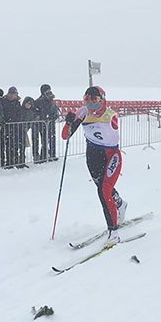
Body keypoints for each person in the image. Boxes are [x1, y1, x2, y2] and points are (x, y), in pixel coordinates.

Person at [62, 86, 127, 245]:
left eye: (95, 102)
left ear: (103, 100)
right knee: (103, 189)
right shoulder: (83, 112)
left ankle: (113, 232)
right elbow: (66, 136)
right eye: (87, 101)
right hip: (92, 157)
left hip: (111, 156)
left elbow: (112, 132)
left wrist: (93, 118)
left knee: (104, 192)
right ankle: (120, 203)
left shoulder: (110, 115)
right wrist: (69, 122)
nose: (91, 106)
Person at [34, 84, 60, 162]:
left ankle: (52, 154)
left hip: (51, 123)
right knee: (44, 139)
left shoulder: (50, 99)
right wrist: (43, 117)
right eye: (47, 90)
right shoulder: (39, 101)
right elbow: (37, 112)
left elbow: (54, 110)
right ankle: (44, 156)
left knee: (52, 139)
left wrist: (54, 116)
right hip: (43, 123)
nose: (49, 91)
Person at [1, 86, 22, 168]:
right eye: (11, 94)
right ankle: (8, 162)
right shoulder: (3, 101)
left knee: (15, 145)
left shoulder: (17, 103)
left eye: (14, 94)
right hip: (6, 127)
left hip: (15, 127)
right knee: (7, 146)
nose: (12, 96)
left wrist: (17, 121)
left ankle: (16, 161)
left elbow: (19, 114)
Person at [20, 96, 39, 164]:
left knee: (23, 146)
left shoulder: (31, 112)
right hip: (19, 129)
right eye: (27, 103)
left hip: (25, 130)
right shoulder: (21, 110)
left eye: (30, 104)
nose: (28, 105)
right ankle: (19, 160)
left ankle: (22, 160)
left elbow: (31, 120)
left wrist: (27, 127)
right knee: (19, 146)